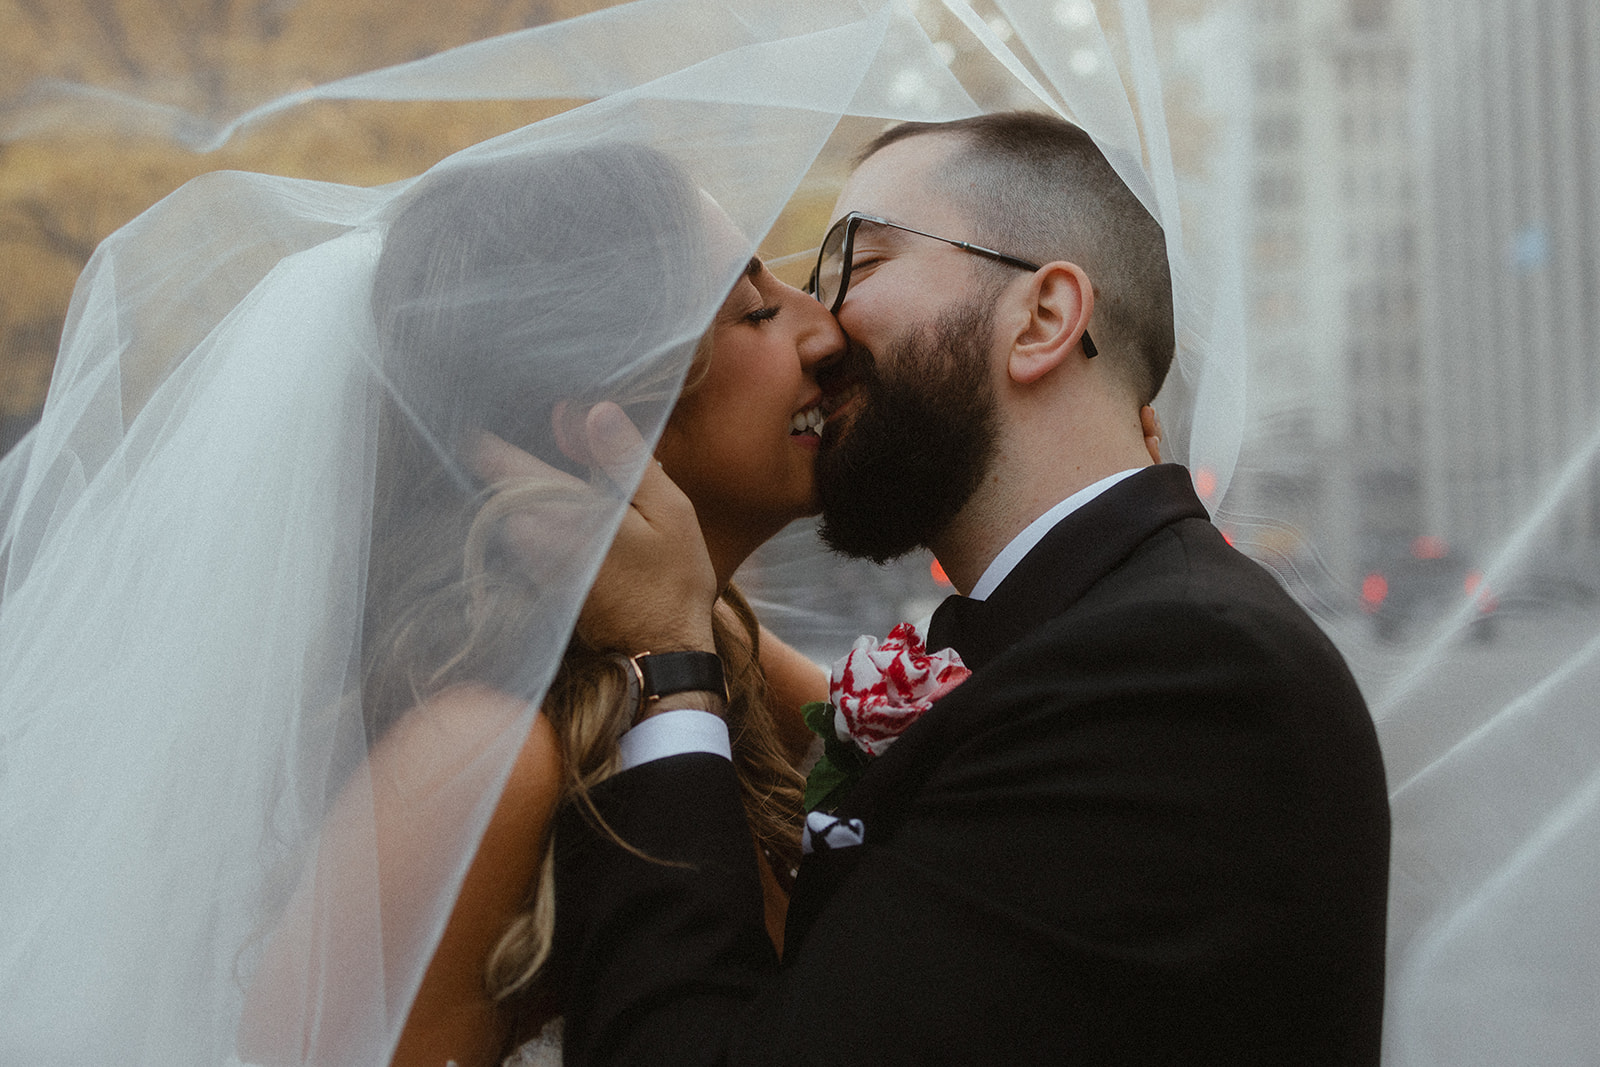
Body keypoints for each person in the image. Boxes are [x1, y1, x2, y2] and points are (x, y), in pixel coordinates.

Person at [549, 111, 1393, 1065]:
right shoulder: (1078, 631)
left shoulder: (1182, 674)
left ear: (1040, 319)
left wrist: (669, 659)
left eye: (856, 269)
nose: (823, 331)